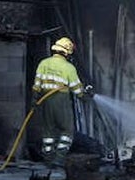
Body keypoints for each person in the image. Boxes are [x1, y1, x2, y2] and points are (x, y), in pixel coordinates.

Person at [32, 37, 92, 165]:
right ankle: (59, 157)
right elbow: (76, 88)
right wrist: (84, 96)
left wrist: (35, 98)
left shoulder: (44, 63)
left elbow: (37, 84)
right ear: (66, 53)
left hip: (45, 99)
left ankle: (47, 157)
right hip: (61, 100)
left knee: (49, 130)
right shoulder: (68, 68)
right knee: (67, 130)